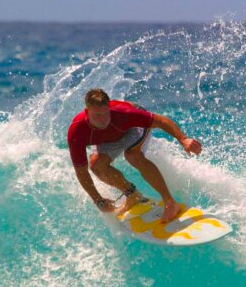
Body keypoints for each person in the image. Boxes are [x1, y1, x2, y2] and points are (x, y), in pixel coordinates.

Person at [67, 88, 202, 223]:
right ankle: (132, 195)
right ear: (87, 112)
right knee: (96, 166)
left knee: (132, 155)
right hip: (108, 138)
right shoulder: (77, 131)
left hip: (131, 129)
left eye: (105, 114)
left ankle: (170, 202)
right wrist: (98, 200)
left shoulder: (123, 114)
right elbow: (81, 172)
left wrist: (183, 139)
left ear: (109, 108)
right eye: (97, 115)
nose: (102, 120)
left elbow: (160, 121)